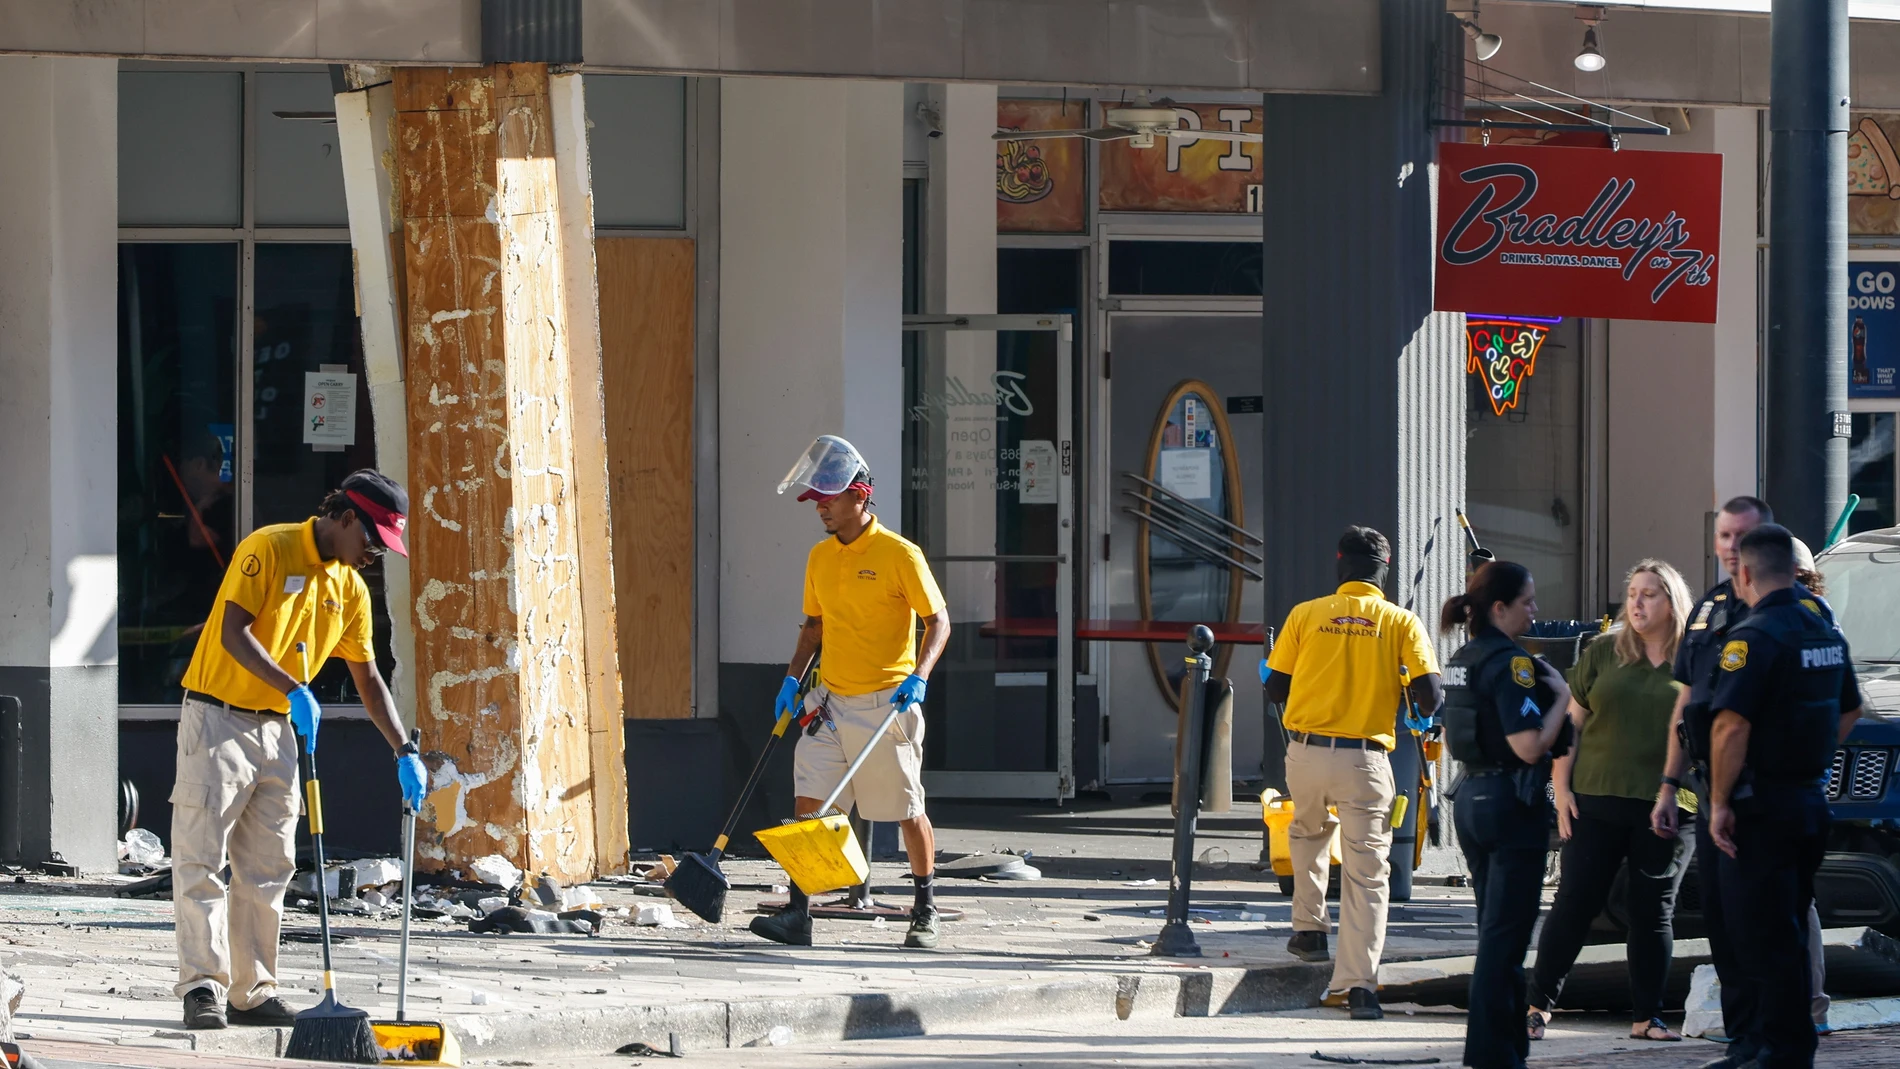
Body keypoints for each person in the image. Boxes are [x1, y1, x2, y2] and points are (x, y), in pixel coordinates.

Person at [172, 470, 429, 1030]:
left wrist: (403, 750)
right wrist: (293, 687)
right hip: (217, 719)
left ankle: (253, 991)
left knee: (268, 867)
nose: (373, 555)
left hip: (281, 733)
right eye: (371, 540)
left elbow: (367, 680)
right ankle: (202, 989)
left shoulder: (350, 590)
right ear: (344, 518)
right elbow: (232, 633)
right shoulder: (268, 547)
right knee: (201, 860)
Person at [750, 436, 952, 950]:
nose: (821, 506)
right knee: (807, 807)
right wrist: (793, 678)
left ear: (860, 496)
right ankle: (799, 914)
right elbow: (814, 627)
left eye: (830, 498)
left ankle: (925, 910)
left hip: (888, 703)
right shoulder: (820, 558)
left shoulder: (899, 554)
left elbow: (938, 621)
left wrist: (920, 674)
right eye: (816, 499)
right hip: (831, 703)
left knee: (907, 809)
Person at [1673, 525, 1862, 1069]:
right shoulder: (1823, 631)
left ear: (1748, 573)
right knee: (1787, 928)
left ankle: (1778, 1051)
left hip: (1758, 806)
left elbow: (1730, 727)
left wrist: (1723, 803)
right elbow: (1849, 708)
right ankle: (1781, 1048)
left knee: (1759, 937)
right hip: (1806, 800)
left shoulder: (1754, 638)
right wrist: (1812, 753)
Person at [1261, 526, 1442, 1021]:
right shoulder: (1401, 621)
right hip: (1365, 760)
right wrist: (1412, 706)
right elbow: (1431, 696)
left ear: (1340, 564)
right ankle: (1358, 987)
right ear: (1384, 571)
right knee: (1367, 873)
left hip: (1306, 752)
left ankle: (1309, 929)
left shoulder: (1305, 614)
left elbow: (1275, 690)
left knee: (1308, 833)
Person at [1528, 560, 1696, 1043]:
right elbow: (1570, 725)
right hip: (1596, 798)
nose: (1638, 604)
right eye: (1634, 594)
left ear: (1672, 602)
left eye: (1650, 594)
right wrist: (1560, 793)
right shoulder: (1604, 651)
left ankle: (1648, 1017)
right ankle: (1537, 1006)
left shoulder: (1693, 656)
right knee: (1575, 903)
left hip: (1668, 804)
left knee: (1652, 910)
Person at [1440, 561, 1572, 1069]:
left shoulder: (1462, 657)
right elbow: (1530, 746)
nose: (1535, 610)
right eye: (1528, 601)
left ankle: (1507, 1048)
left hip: (1470, 798)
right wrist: (1560, 696)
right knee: (1506, 938)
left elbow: (1458, 734)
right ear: (1500, 608)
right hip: (1507, 804)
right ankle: (1490, 1054)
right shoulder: (1513, 663)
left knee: (1496, 931)